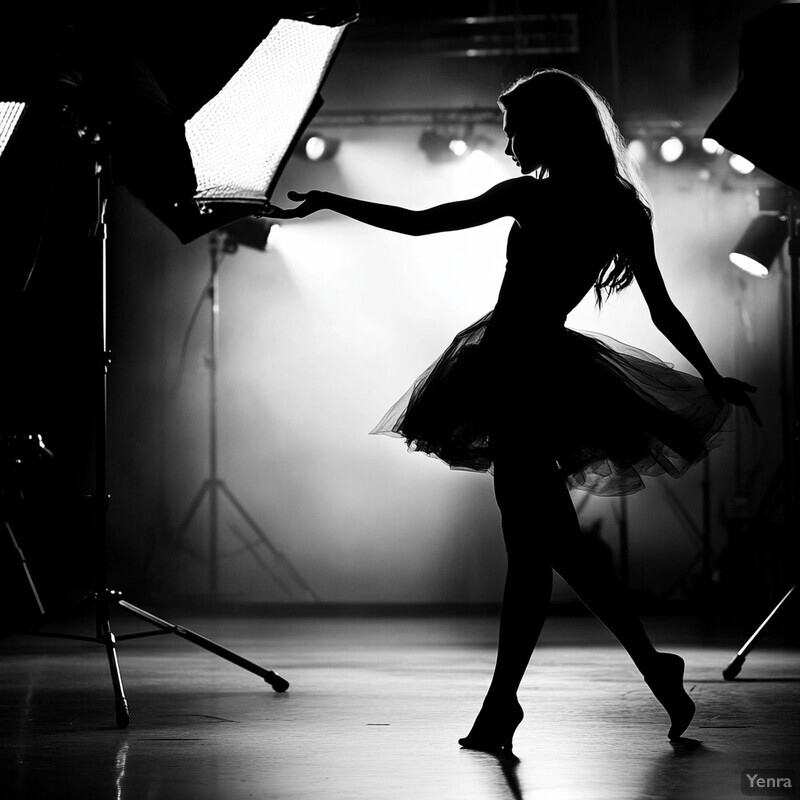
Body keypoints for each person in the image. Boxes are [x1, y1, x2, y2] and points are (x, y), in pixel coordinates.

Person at [267, 68, 759, 755]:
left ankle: (533, 701)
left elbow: (419, 224)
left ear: (550, 129)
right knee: (544, 549)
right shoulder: (616, 206)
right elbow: (661, 308)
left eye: (514, 129)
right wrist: (710, 374)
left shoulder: (531, 196)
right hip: (541, 373)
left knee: (538, 550)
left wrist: (329, 200)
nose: (506, 144)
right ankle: (616, 680)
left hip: (517, 375)